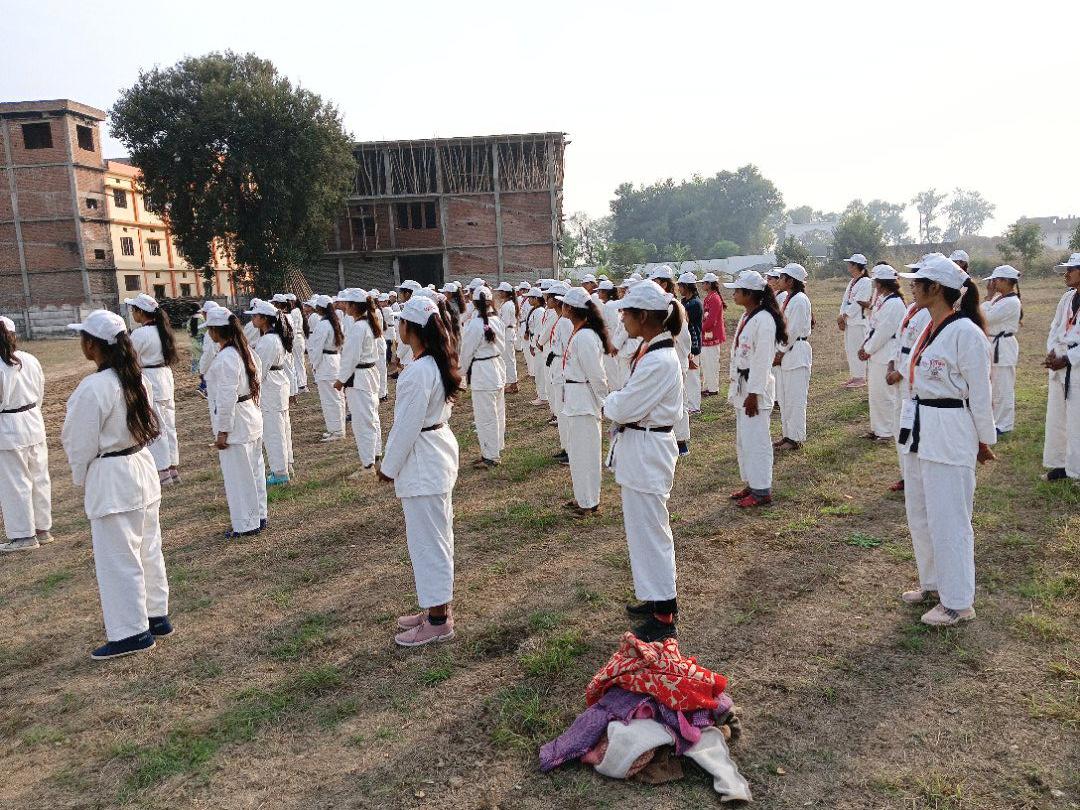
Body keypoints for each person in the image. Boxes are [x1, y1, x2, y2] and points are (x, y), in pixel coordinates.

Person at [61, 309, 171, 659]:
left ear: (92, 345)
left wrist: (82, 476)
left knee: (119, 558)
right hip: (140, 466)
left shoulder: (94, 387)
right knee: (148, 548)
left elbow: (78, 442)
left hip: (113, 476)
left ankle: (131, 632)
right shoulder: (136, 378)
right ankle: (155, 615)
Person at [896, 254, 995, 627]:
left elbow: (981, 393)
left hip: (950, 429)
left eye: (918, 281)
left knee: (950, 517)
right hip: (920, 425)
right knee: (921, 511)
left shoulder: (966, 332)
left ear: (935, 287)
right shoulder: (928, 324)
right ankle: (933, 583)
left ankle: (958, 602)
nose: (911, 286)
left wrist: (983, 440)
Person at [378, 295, 461, 647]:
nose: (397, 327)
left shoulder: (417, 372)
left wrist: (388, 467)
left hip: (424, 460)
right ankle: (435, 607)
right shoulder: (434, 363)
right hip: (435, 453)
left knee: (429, 543)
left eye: (401, 322)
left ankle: (438, 620)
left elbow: (406, 427)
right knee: (435, 537)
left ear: (410, 328)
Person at [603, 280, 684, 642]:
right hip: (641, 447)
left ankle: (664, 613)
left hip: (649, 449)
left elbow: (625, 406)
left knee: (651, 531)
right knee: (642, 530)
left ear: (645, 316)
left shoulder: (659, 360)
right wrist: (618, 402)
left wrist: (610, 403)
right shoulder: (651, 351)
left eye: (627, 312)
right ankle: (654, 598)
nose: (622, 318)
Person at [205, 307, 267, 538]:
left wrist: (223, 431)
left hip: (237, 421)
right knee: (255, 470)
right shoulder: (245, 350)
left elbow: (226, 397)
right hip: (250, 413)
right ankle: (259, 515)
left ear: (215, 331)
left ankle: (246, 523)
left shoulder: (226, 358)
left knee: (239, 477)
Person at [726, 271, 786, 508]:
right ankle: (752, 483)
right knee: (745, 440)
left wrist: (754, 394)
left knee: (757, 440)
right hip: (743, 386)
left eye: (737, 291)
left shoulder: (765, 320)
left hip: (755, 391)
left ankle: (762, 490)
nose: (733, 294)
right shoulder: (747, 316)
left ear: (749, 294)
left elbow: (762, 360)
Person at [885, 255, 937, 492]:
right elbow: (900, 339)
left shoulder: (929, 313)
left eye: (917, 280)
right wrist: (891, 363)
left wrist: (901, 371)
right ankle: (906, 473)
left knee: (914, 428)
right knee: (901, 426)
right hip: (900, 368)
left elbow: (923, 348)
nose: (912, 286)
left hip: (912, 375)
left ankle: (915, 476)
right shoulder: (912, 309)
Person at [557, 287, 611, 516]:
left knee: (585, 454)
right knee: (579, 453)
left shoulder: (585, 336)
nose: (561, 307)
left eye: (563, 304)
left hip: (584, 402)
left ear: (570, 308)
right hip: (576, 399)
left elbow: (596, 375)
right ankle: (584, 497)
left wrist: (604, 402)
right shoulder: (580, 333)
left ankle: (588, 502)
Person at [0, 316, 52, 552]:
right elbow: (39, 393)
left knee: (16, 482)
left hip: (9, 427)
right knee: (39, 477)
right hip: (33, 421)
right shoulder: (30, 359)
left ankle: (24, 536)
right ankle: (42, 529)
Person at [126, 293, 180, 485]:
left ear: (141, 312)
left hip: (150, 378)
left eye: (134, 310)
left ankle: (162, 470)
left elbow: (131, 358)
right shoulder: (163, 330)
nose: (133, 314)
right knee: (169, 424)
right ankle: (172, 467)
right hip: (165, 377)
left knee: (155, 424)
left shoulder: (139, 334)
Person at [334, 288, 383, 475]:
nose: (345, 306)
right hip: (367, 375)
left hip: (360, 378)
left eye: (347, 303)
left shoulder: (358, 327)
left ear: (354, 306)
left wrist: (340, 380)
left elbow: (350, 357)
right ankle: (375, 456)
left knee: (363, 422)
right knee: (371, 418)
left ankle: (368, 465)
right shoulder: (366, 324)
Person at [247, 300, 294, 486]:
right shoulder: (273, 337)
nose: (252, 319)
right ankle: (287, 465)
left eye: (255, 315)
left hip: (271, 388)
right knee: (282, 428)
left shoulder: (268, 340)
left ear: (264, 318)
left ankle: (280, 472)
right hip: (278, 385)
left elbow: (260, 370)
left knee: (274, 432)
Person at [459, 287, 507, 468]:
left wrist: (460, 375)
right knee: (498, 413)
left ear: (474, 303)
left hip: (483, 372)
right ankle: (495, 447)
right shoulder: (497, 320)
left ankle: (491, 455)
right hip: (497, 367)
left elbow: (466, 353)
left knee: (485, 417)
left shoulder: (475, 325)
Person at [859, 265, 907, 442]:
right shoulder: (884, 300)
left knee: (885, 395)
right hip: (877, 352)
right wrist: (866, 345)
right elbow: (874, 326)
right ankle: (877, 428)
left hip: (886, 352)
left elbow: (883, 332)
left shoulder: (894, 303)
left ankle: (887, 431)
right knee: (876, 393)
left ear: (880, 284)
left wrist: (868, 349)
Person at [1042, 252, 1080, 481]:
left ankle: (1076, 470)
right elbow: (1055, 327)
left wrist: (1067, 359)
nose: (1066, 274)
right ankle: (1061, 464)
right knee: (1057, 418)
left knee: (1077, 420)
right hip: (1060, 364)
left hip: (1075, 364)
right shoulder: (1067, 298)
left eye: (1071, 270)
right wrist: (1052, 352)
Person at [650, 267, 692, 455]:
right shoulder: (660, 304)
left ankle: (681, 441)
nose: (653, 284)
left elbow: (683, 337)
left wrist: (683, 357)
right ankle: (669, 439)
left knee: (679, 400)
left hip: (675, 359)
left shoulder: (673, 305)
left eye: (656, 281)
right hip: (664, 360)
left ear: (665, 283)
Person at [772, 263, 812, 451]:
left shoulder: (799, 300)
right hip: (787, 352)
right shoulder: (789, 299)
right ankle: (787, 434)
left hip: (795, 351)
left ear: (791, 280)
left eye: (782, 277)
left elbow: (792, 330)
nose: (779, 280)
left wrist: (780, 352)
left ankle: (795, 437)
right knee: (785, 397)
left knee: (795, 398)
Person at [980, 265, 1022, 436]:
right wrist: (990, 299)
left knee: (1003, 387)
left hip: (1003, 347)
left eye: (995, 280)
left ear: (1005, 281)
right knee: (994, 385)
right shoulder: (1000, 299)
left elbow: (986, 317)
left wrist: (989, 297)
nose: (992, 284)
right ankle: (995, 420)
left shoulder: (1011, 302)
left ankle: (1004, 424)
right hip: (993, 344)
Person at [307, 295, 346, 441]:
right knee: (337, 397)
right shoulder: (336, 322)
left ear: (319, 308)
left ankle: (336, 430)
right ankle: (337, 428)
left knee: (330, 399)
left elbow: (316, 348)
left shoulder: (323, 325)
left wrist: (315, 364)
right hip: (335, 360)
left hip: (326, 363)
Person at [838, 254, 872, 388]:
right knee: (850, 349)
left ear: (856, 266)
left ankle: (861, 377)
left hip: (858, 321)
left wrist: (845, 315)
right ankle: (855, 375)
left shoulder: (866, 282)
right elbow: (845, 300)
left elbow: (859, 302)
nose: (848, 266)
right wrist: (841, 316)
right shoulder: (852, 281)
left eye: (850, 264)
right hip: (849, 322)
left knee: (858, 348)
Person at [678, 272, 703, 416]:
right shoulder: (685, 302)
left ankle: (694, 406)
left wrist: (691, 350)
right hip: (687, 344)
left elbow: (688, 325)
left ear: (686, 286)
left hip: (693, 344)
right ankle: (689, 405)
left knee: (693, 377)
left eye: (681, 286)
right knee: (688, 377)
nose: (679, 289)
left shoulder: (694, 304)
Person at [699, 272, 726, 397]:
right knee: (706, 362)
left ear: (709, 284)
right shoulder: (709, 297)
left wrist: (701, 329)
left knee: (711, 363)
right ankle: (707, 386)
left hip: (712, 334)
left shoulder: (714, 298)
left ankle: (713, 388)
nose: (702, 285)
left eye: (704, 283)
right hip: (707, 335)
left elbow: (711, 320)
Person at [495, 282, 520, 394]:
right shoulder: (506, 304)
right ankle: (510, 382)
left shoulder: (507, 305)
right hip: (506, 333)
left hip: (506, 333)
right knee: (508, 359)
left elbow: (504, 322)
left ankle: (513, 384)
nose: (499, 293)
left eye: (501, 291)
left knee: (509, 360)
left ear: (505, 292)